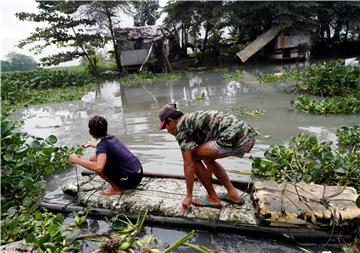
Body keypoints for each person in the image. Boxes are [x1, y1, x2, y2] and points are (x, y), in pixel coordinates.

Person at [158, 103, 256, 212]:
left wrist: (188, 196)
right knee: (205, 157)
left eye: (165, 127)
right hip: (248, 135)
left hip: (235, 137)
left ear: (171, 121)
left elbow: (188, 164)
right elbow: (208, 156)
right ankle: (233, 195)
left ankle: (213, 198)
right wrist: (207, 175)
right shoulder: (191, 119)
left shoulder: (181, 127)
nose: (167, 131)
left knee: (193, 157)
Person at [69, 115, 143, 196]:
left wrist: (76, 160)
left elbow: (99, 167)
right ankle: (117, 184)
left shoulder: (102, 145)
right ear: (106, 128)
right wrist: (91, 144)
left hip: (131, 180)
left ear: (90, 132)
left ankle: (116, 189)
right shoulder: (111, 137)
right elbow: (107, 148)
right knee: (93, 158)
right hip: (138, 173)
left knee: (96, 165)